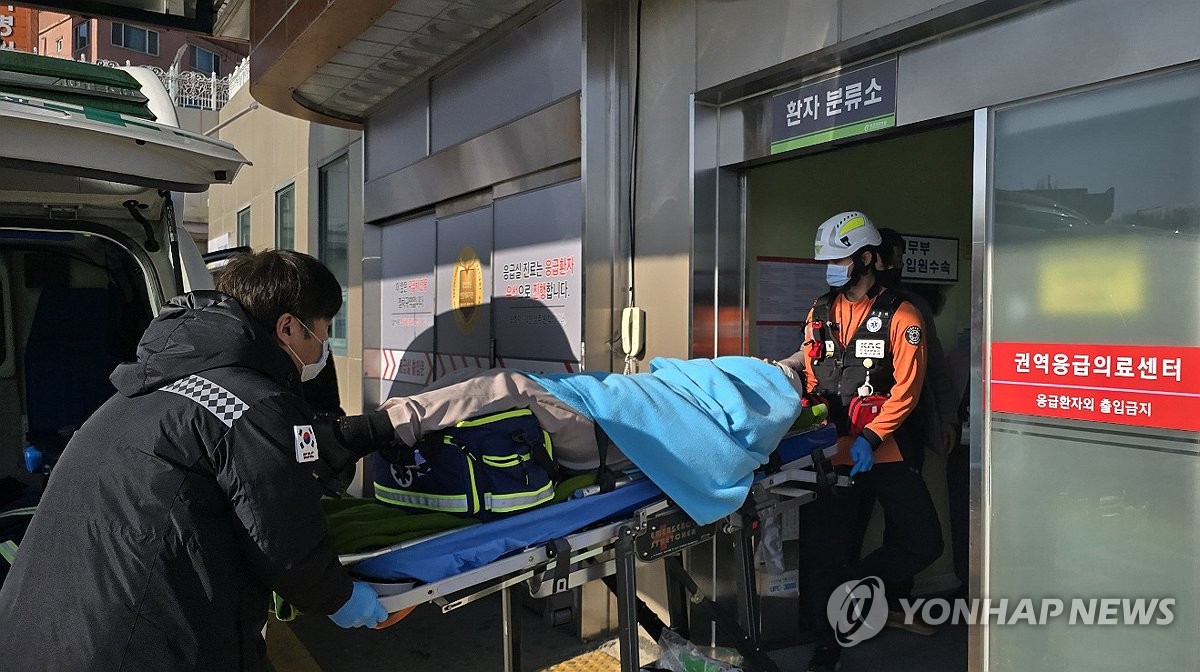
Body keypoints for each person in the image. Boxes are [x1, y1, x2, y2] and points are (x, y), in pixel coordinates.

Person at [0, 250, 388, 671]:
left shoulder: (149, 388)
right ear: (289, 327)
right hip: (128, 648)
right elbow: (285, 545)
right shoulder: (254, 404)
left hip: (41, 629)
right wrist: (341, 599)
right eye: (324, 330)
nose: (322, 350)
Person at [776, 211, 943, 672]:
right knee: (825, 548)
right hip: (831, 454)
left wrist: (871, 435)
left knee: (923, 541)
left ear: (867, 258)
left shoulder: (902, 315)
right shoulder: (819, 313)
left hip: (883, 452)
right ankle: (826, 646)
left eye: (841, 259)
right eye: (827, 261)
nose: (832, 268)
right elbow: (811, 375)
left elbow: (908, 388)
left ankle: (849, 585)